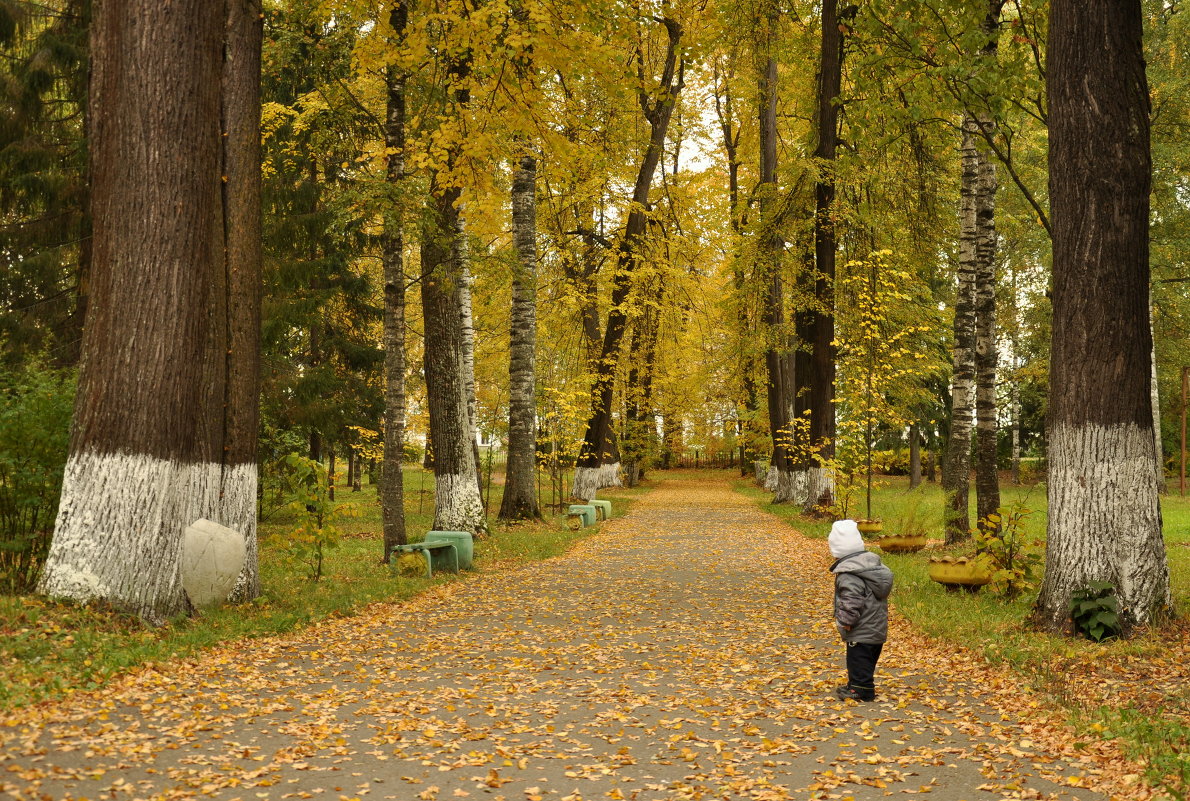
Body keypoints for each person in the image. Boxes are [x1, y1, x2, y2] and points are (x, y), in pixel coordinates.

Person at [829, 519, 894, 702]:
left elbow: (851, 601)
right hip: (876, 628)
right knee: (866, 661)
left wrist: (846, 622)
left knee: (857, 660)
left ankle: (862, 690)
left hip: (861, 629)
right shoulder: (870, 568)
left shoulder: (849, 575)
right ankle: (856, 684)